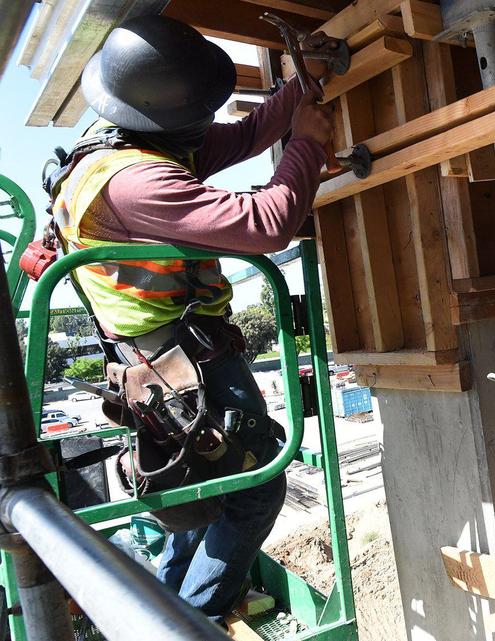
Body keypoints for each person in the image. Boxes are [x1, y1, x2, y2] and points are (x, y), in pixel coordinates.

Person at [54, 15, 334, 622]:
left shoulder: (117, 147)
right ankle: (197, 620)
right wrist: (309, 144)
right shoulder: (137, 182)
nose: (207, 123)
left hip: (154, 365)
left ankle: (167, 605)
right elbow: (264, 225)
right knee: (256, 489)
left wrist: (296, 87)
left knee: (200, 491)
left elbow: (240, 138)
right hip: (188, 363)